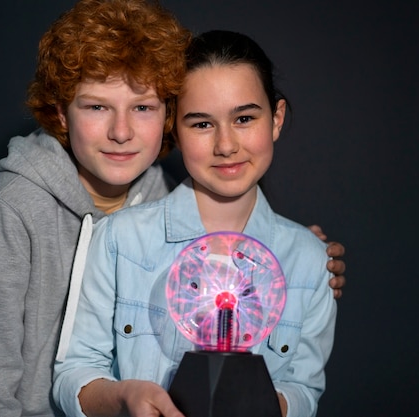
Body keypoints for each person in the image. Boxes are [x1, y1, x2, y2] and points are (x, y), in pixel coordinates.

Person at [0, 1, 345, 416]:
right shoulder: (19, 207)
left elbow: (300, 382)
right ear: (61, 113)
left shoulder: (159, 192)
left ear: (165, 117)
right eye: (97, 106)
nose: (121, 132)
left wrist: (306, 257)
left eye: (143, 107)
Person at [53, 30, 337, 417]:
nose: (225, 145)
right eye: (202, 124)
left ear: (276, 119)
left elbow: (304, 388)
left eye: (244, 118)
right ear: (175, 130)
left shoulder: (310, 261)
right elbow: (73, 375)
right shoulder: (120, 240)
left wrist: (265, 405)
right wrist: (123, 397)